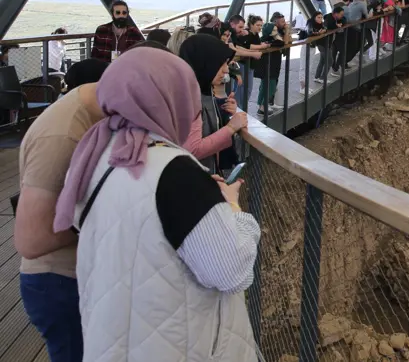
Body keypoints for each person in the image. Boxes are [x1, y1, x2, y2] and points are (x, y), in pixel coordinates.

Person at [53, 47, 260, 362]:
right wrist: (232, 208)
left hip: (115, 337)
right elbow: (232, 271)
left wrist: (201, 202)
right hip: (178, 345)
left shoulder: (98, 150)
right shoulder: (176, 172)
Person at [15, 67, 108, 361]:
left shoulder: (95, 115)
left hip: (79, 277)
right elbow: (33, 240)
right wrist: (118, 214)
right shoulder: (62, 135)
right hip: (60, 282)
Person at [179, 34, 247, 175]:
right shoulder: (189, 99)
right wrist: (231, 127)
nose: (226, 70)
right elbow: (193, 150)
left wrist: (225, 112)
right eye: (220, 64)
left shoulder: (201, 90)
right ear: (204, 63)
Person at [254, 12, 291, 114]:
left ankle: (262, 104)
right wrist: (285, 32)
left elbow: (285, 42)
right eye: (274, 30)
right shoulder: (272, 39)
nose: (276, 31)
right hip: (269, 64)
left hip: (271, 63)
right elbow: (284, 42)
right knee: (270, 85)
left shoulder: (270, 38)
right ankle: (262, 106)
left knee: (266, 84)